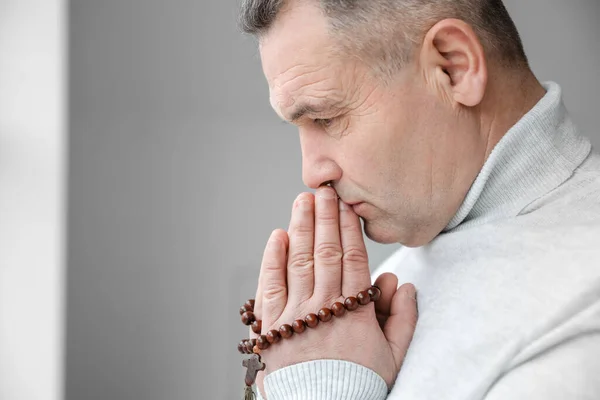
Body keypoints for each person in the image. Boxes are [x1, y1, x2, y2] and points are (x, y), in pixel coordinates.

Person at [237, 0, 600, 399]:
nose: (312, 172)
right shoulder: (361, 307)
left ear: (452, 67)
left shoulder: (580, 314)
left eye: (326, 117)